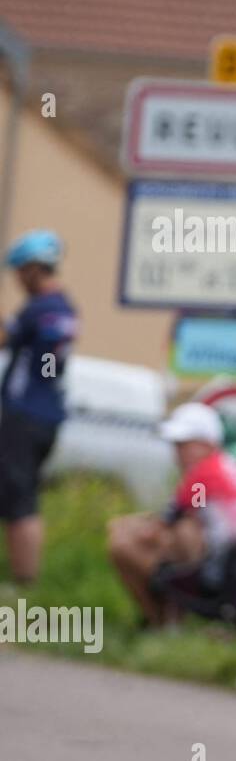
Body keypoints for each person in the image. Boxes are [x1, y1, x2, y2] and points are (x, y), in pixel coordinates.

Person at [108, 402, 236, 627]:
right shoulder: (232, 467)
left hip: (230, 567)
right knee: (176, 531)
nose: (177, 452)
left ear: (208, 444)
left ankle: (163, 621)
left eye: (184, 444)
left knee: (125, 542)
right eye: (175, 445)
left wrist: (125, 532)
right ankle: (169, 617)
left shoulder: (203, 474)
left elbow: (165, 523)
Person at [0, 230, 78, 586]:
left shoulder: (44, 310)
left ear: (35, 269)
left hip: (26, 416)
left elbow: (47, 360)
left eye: (19, 271)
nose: (17, 279)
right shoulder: (61, 307)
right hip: (40, 415)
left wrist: (42, 373)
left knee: (21, 497)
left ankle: (25, 584)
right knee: (15, 494)